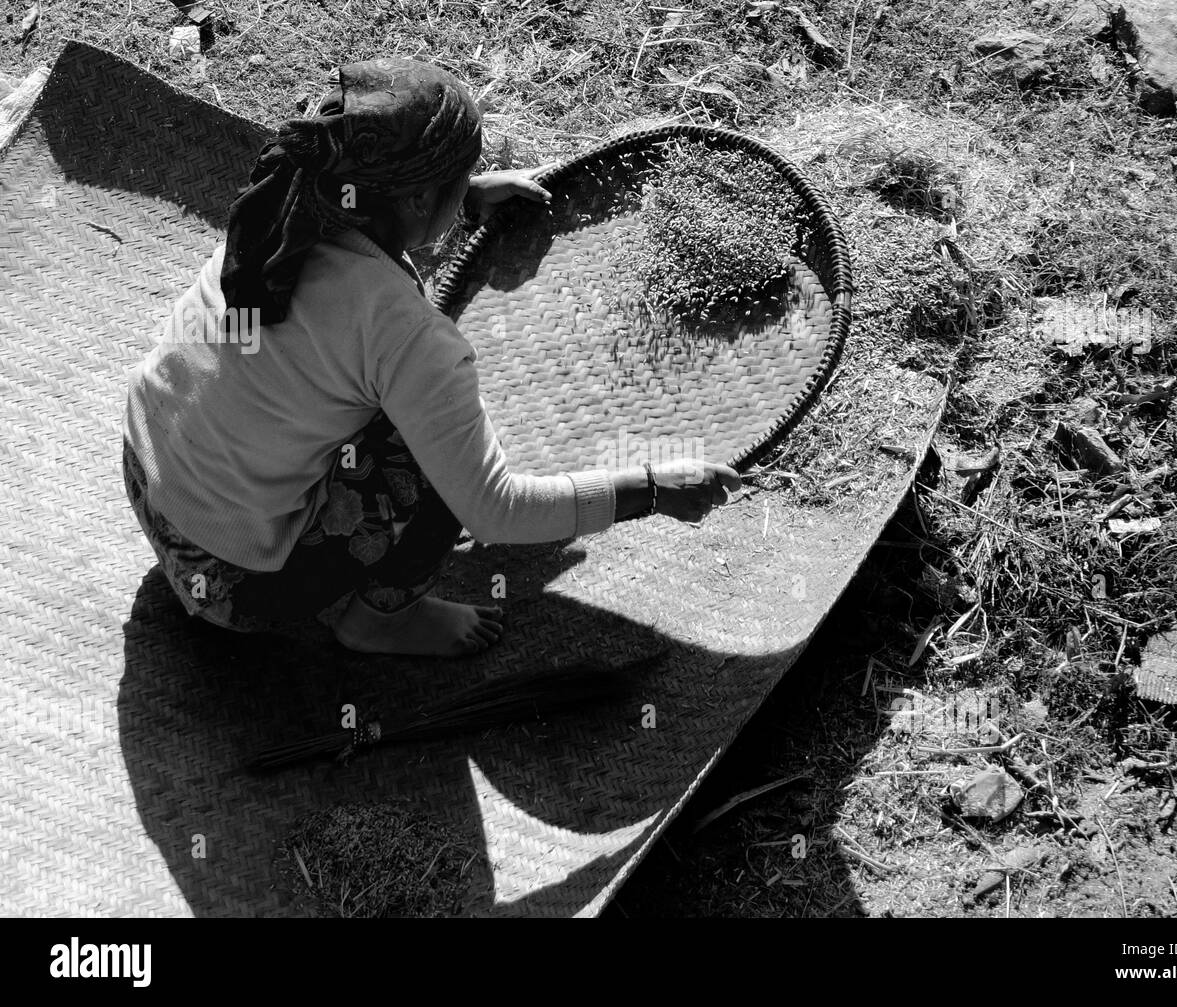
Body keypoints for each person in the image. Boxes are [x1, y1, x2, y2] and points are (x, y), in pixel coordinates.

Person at [122, 57, 741, 658]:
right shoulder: (409, 338)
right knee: (436, 470)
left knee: (367, 398)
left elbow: (359, 247)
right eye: (457, 177)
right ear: (417, 200)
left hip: (149, 477)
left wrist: (463, 197)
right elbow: (495, 510)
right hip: (234, 583)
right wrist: (650, 490)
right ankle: (379, 620)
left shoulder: (282, 218)